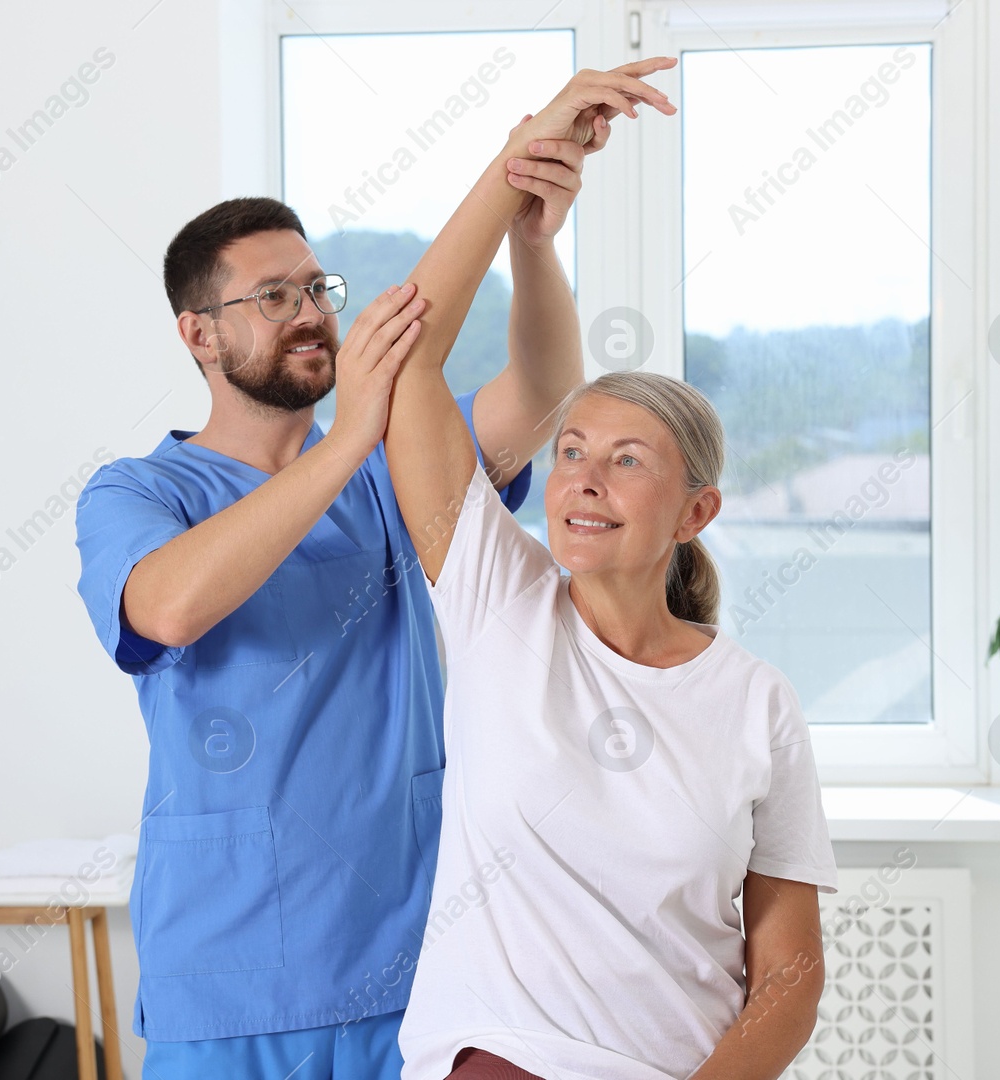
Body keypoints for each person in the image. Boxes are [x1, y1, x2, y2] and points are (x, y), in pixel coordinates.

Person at [71, 70, 628, 1078]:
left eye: (316, 290)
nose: (310, 313)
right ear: (199, 333)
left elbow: (543, 392)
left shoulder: (384, 474)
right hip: (228, 984)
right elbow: (168, 606)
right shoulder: (137, 492)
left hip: (407, 973)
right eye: (271, 296)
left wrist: (531, 243)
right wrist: (347, 440)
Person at [343, 58, 841, 1080]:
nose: (581, 480)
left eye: (625, 461)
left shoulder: (756, 703)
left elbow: (787, 975)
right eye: (570, 452)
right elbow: (408, 360)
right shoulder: (497, 597)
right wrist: (521, 183)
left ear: (695, 512)